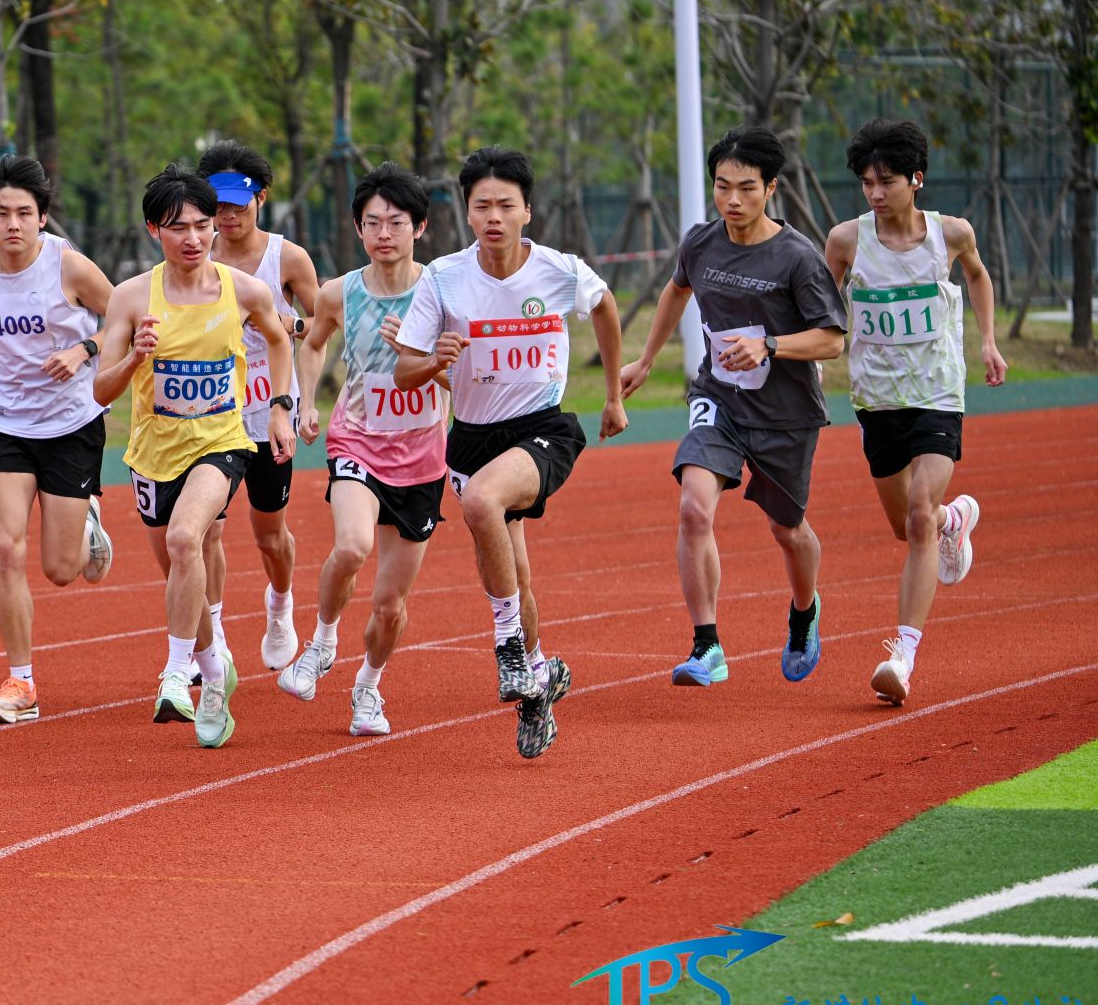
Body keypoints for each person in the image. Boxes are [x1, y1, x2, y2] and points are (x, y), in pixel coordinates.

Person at [393, 147, 626, 759]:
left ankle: (508, 647)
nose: (493, 217)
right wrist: (434, 361)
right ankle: (538, 681)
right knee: (516, 573)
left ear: (527, 210)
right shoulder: (443, 278)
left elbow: (604, 306)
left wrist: (612, 394)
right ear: (466, 213)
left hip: (543, 428)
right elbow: (405, 372)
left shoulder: (559, 270)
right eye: (481, 206)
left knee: (481, 503)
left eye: (505, 205)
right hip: (472, 437)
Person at [619, 126, 847, 689]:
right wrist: (646, 359)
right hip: (718, 398)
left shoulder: (798, 258)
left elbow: (831, 340)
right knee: (694, 508)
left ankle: (804, 612)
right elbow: (677, 290)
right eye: (723, 187)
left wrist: (769, 345)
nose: (733, 200)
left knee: (787, 530)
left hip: (785, 413)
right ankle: (707, 646)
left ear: (770, 188)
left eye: (746, 188)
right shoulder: (700, 243)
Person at [94, 164, 296, 749]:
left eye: (203, 225)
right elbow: (100, 391)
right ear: (154, 229)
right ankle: (215, 672)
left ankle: (176, 674)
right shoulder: (132, 297)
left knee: (188, 539)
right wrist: (135, 359)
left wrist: (280, 408)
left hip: (222, 443)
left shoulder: (243, 290)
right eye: (178, 227)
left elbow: (279, 339)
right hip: (153, 453)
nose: (194, 238)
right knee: (183, 573)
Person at [0, 155, 118, 724]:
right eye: (1, 213)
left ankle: (86, 520)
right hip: (6, 422)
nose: (13, 223)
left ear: (42, 217)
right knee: (8, 548)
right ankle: (22, 682)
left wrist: (83, 349)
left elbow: (126, 319)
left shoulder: (69, 266)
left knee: (60, 569)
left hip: (72, 423)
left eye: (24, 213)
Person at [825, 118, 1006, 706]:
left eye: (886, 182)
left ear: (916, 180)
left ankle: (901, 658)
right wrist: (815, 360)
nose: (875, 193)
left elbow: (978, 276)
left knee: (919, 516)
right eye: (866, 183)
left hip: (937, 393)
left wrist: (987, 341)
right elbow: (823, 309)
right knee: (905, 526)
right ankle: (956, 522)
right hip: (876, 399)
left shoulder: (950, 234)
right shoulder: (846, 241)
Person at [284, 163, 447, 736]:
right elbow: (312, 344)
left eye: (396, 222)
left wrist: (418, 357)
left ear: (419, 226)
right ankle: (322, 642)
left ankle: (368, 688)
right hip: (357, 440)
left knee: (389, 605)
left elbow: (463, 377)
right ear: (358, 229)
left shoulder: (441, 292)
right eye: (372, 222)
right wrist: (306, 402)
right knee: (352, 546)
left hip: (423, 458)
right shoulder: (340, 292)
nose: (384, 233)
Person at [198, 140, 319, 672]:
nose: (227, 215)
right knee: (206, 529)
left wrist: (289, 324)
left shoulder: (286, 258)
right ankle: (215, 638)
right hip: (211, 415)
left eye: (237, 203)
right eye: (217, 205)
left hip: (270, 412)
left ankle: (280, 604)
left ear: (261, 198)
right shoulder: (193, 254)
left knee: (270, 535)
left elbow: (323, 323)